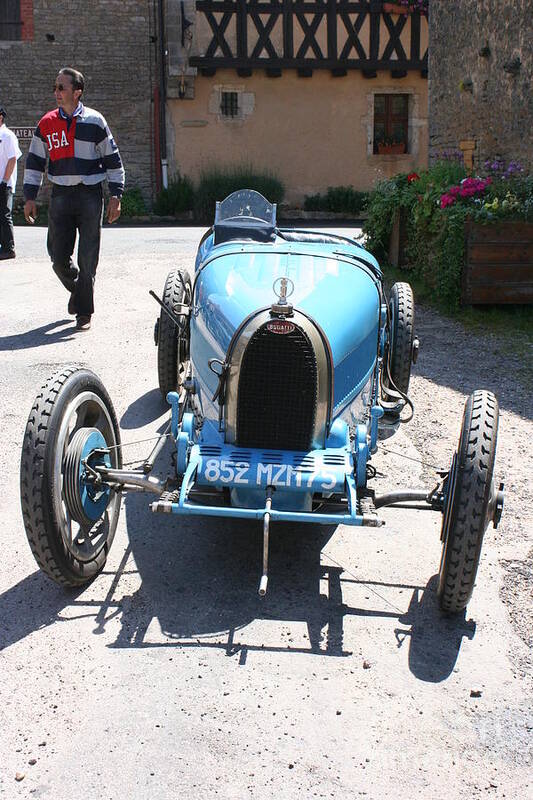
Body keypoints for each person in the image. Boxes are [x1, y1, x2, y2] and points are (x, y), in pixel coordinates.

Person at [23, 67, 125, 330]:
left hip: (90, 194)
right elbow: (34, 163)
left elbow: (113, 161)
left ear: (77, 92)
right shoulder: (46, 123)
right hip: (60, 195)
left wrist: (116, 195)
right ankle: (81, 292)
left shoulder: (95, 121)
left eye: (61, 88)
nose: (56, 92)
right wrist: (30, 197)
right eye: (55, 87)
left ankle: (84, 312)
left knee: (88, 257)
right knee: (57, 258)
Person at [0, 106, 22, 260]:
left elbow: (12, 158)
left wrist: (4, 181)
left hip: (4, 183)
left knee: (4, 214)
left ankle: (9, 248)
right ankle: (3, 246)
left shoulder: (7, 136)